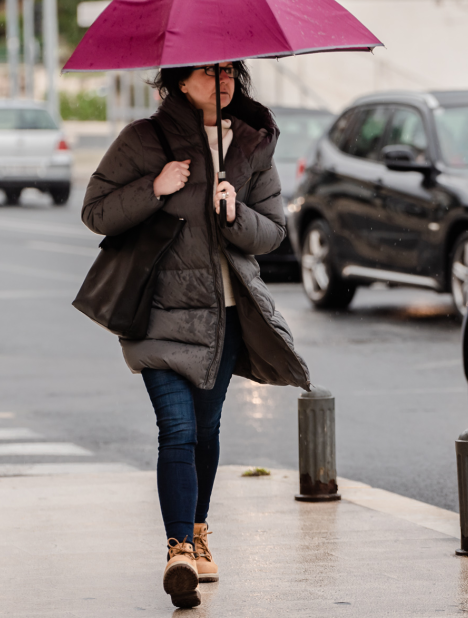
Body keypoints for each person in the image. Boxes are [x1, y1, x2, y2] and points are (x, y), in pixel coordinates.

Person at [82, 61, 310, 609]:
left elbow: (274, 232)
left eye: (229, 70)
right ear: (181, 81)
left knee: (206, 431)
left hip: (224, 316)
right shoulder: (143, 139)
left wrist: (236, 215)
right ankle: (179, 549)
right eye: (209, 71)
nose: (222, 78)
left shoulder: (252, 142)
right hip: (157, 315)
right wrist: (154, 188)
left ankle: (199, 529)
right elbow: (96, 211)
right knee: (177, 429)